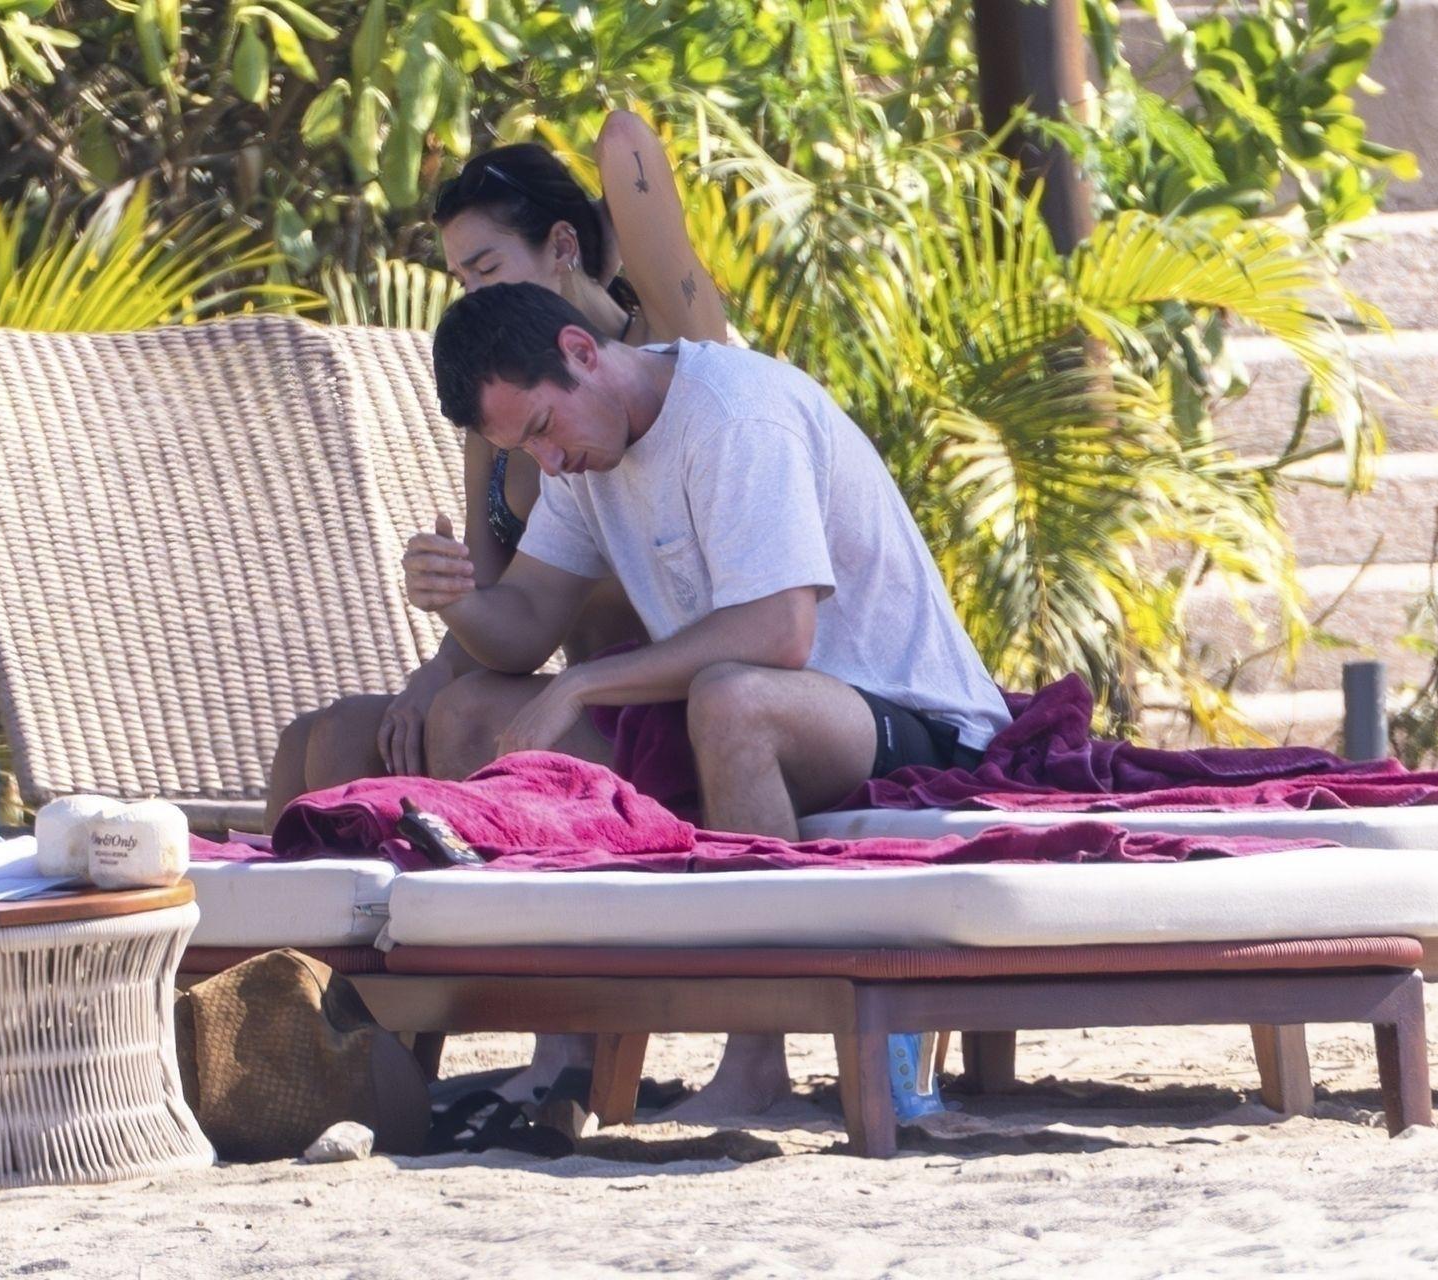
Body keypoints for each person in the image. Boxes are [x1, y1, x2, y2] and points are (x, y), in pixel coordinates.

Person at [409, 282, 1013, 1117]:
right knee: (469, 714)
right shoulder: (581, 459)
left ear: (581, 353)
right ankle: (566, 1058)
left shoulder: (735, 415)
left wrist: (585, 681)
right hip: (723, 709)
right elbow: (522, 627)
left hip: (908, 719)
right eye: (525, 447)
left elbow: (779, 631)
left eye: (543, 427)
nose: (548, 461)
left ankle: (757, 1061)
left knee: (735, 701)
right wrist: (457, 600)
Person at [267, 112, 729, 819]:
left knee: (466, 714)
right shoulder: (498, 406)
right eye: (462, 279)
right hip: (562, 687)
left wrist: (602, 217)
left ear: (563, 245)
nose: (476, 296)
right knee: (326, 738)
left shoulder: (664, 350)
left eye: (486, 268)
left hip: (675, 695)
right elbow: (496, 594)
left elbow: (628, 148)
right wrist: (441, 645)